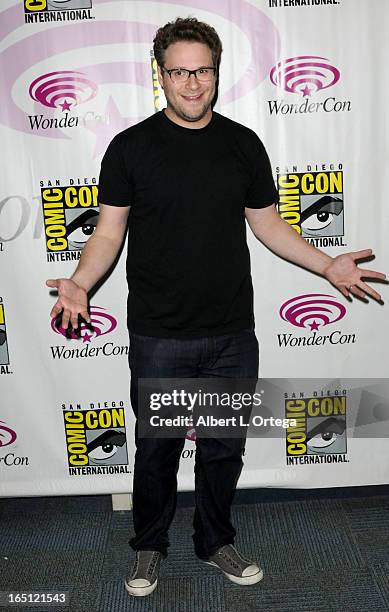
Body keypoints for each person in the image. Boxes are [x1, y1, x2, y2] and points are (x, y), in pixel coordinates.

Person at [46, 17, 386, 598]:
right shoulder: (129, 148)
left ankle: (214, 541)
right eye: (179, 72)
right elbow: (106, 235)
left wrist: (327, 264)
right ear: (161, 75)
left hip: (232, 330)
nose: (192, 83)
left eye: (202, 70)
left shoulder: (242, 144)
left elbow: (270, 226)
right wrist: (80, 280)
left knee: (223, 448)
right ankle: (149, 546)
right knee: (156, 452)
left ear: (217, 71)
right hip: (161, 333)